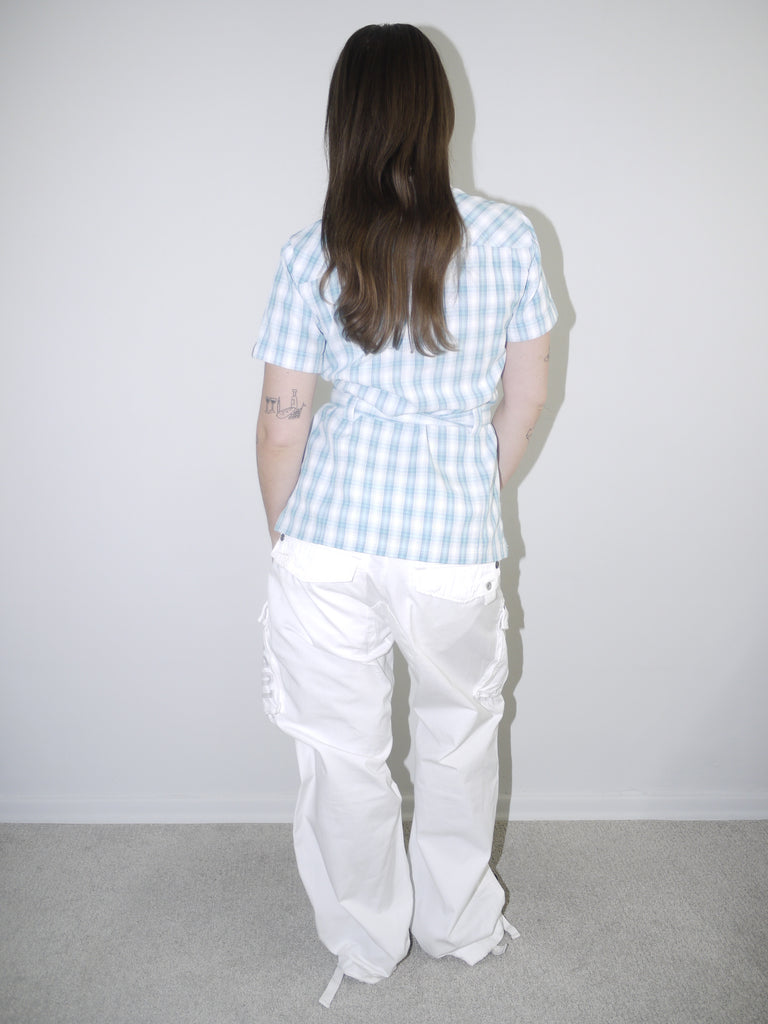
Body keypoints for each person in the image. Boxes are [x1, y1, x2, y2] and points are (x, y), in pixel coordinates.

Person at [253, 23, 557, 1008]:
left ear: (344, 121)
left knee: (342, 753)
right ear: (440, 113)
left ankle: (366, 941)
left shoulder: (312, 251)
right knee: (460, 733)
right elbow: (528, 394)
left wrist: (286, 531)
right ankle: (458, 922)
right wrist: (482, 488)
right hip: (453, 544)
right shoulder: (510, 236)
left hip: (330, 539)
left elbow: (283, 415)